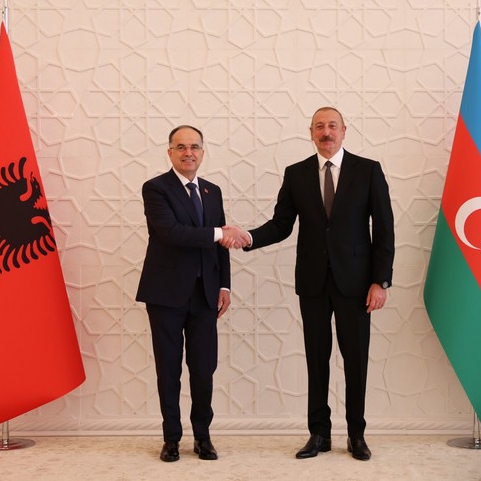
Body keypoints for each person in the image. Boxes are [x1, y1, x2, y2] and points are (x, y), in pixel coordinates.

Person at [223, 107, 395, 461]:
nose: (326, 132)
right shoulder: (297, 173)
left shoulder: (368, 170)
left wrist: (380, 281)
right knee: (316, 360)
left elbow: (384, 229)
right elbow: (281, 224)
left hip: (356, 284)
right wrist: (249, 237)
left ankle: (357, 435)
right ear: (311, 132)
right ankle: (319, 433)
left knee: (356, 360)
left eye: (332, 126)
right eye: (319, 127)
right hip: (313, 282)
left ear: (344, 130)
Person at [136, 125, 238, 462]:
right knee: (169, 370)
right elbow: (171, 232)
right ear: (170, 152)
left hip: (206, 295)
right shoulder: (156, 188)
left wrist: (224, 285)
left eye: (194, 146)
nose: (188, 153)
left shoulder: (212, 191)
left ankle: (203, 437)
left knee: (203, 369)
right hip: (165, 294)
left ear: (202, 152)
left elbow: (221, 246)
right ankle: (171, 439)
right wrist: (219, 232)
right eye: (180, 147)